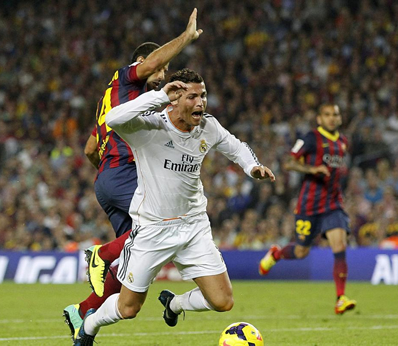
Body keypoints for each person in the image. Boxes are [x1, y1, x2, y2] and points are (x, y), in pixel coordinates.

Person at [73, 68, 275, 345]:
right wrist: (158, 96)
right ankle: (90, 325)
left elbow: (236, 146)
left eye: (203, 95)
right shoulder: (148, 128)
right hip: (152, 229)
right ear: (175, 99)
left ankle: (175, 305)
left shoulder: (207, 126)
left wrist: (252, 167)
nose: (201, 102)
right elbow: (113, 118)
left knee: (223, 301)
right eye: (192, 96)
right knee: (128, 308)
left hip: (193, 226)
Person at [63, 9, 203, 341]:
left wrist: (108, 177)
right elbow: (151, 64)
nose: (162, 72)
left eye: (166, 69)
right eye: (158, 67)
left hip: (109, 179)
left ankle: (83, 312)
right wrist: (185, 38)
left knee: (136, 260)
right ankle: (101, 253)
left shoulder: (123, 102)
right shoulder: (127, 78)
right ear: (140, 63)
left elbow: (88, 148)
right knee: (162, 223)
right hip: (124, 174)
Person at [258, 104, 357, 315]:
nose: (332, 118)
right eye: (327, 115)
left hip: (333, 204)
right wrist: (312, 169)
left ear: (340, 118)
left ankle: (341, 298)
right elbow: (288, 163)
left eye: (336, 115)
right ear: (320, 119)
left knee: (339, 246)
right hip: (309, 205)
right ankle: (276, 254)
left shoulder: (343, 142)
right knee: (301, 251)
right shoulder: (310, 138)